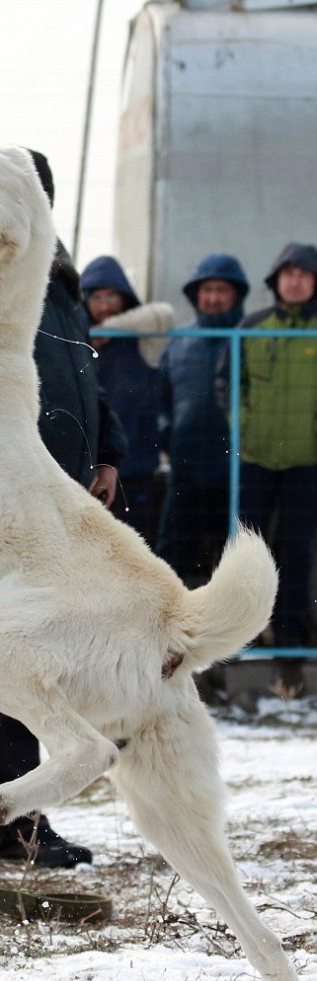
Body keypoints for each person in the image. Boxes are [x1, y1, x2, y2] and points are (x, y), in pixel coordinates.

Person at [0, 152, 127, 868]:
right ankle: (10, 823)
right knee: (8, 644)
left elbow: (86, 375)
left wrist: (110, 453)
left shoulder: (60, 273)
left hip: (57, 488)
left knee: (19, 640)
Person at [224, 242, 317, 698]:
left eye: (304, 273)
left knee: (297, 552)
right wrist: (243, 433)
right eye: (288, 273)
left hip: (308, 462)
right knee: (250, 550)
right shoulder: (253, 326)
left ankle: (291, 648)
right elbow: (228, 383)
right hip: (256, 459)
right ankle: (245, 636)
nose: (295, 280)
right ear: (276, 280)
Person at [156, 254, 249, 588]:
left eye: (221, 289)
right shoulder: (179, 340)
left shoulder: (248, 336)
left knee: (237, 554)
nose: (213, 297)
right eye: (207, 289)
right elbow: (163, 396)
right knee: (174, 550)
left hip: (237, 469)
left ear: (236, 294)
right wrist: (168, 436)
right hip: (186, 465)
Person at [79, 255, 174, 547]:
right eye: (97, 297)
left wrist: (107, 331)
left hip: (135, 466)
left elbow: (165, 314)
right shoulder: (76, 341)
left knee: (136, 549)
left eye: (112, 296)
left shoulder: (144, 341)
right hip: (86, 467)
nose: (105, 305)